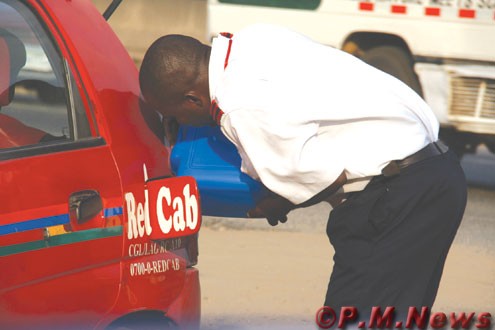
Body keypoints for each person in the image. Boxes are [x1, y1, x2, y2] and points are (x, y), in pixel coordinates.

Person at [139, 24, 467, 323]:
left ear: (192, 98)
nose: (177, 124)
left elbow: (320, 179)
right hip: (436, 173)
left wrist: (269, 206)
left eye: (174, 115)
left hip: (396, 200)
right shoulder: (248, 41)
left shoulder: (239, 106)